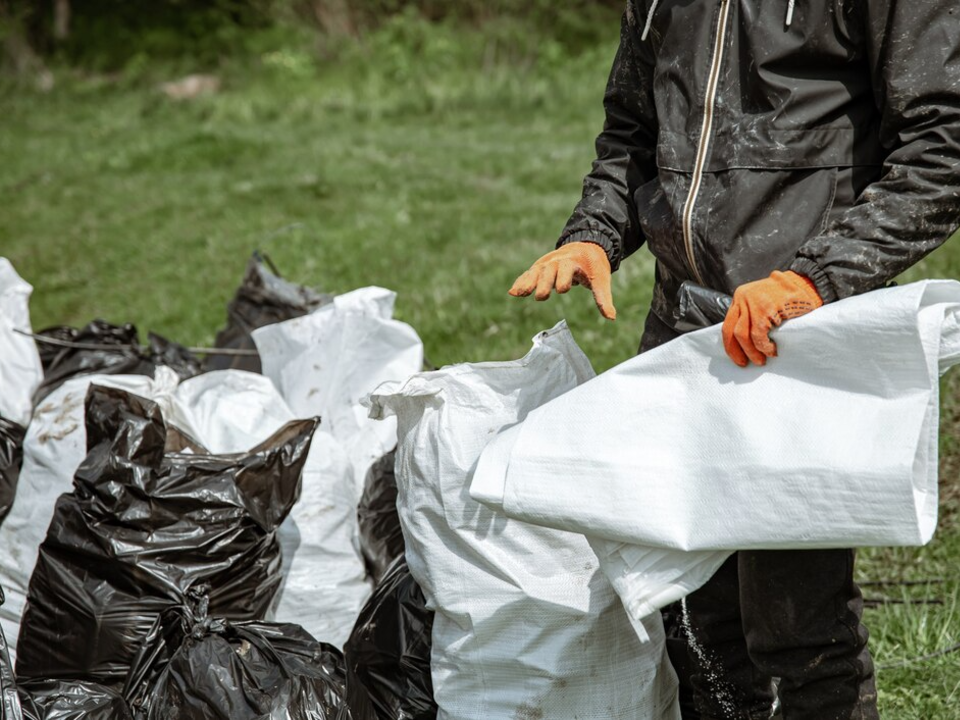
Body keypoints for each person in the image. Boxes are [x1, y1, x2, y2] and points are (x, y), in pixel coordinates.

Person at [508, 2, 960, 719]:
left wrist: (816, 278)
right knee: (692, 617)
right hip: (683, 329)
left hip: (800, 332)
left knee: (795, 629)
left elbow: (942, 151)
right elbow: (633, 127)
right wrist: (595, 231)